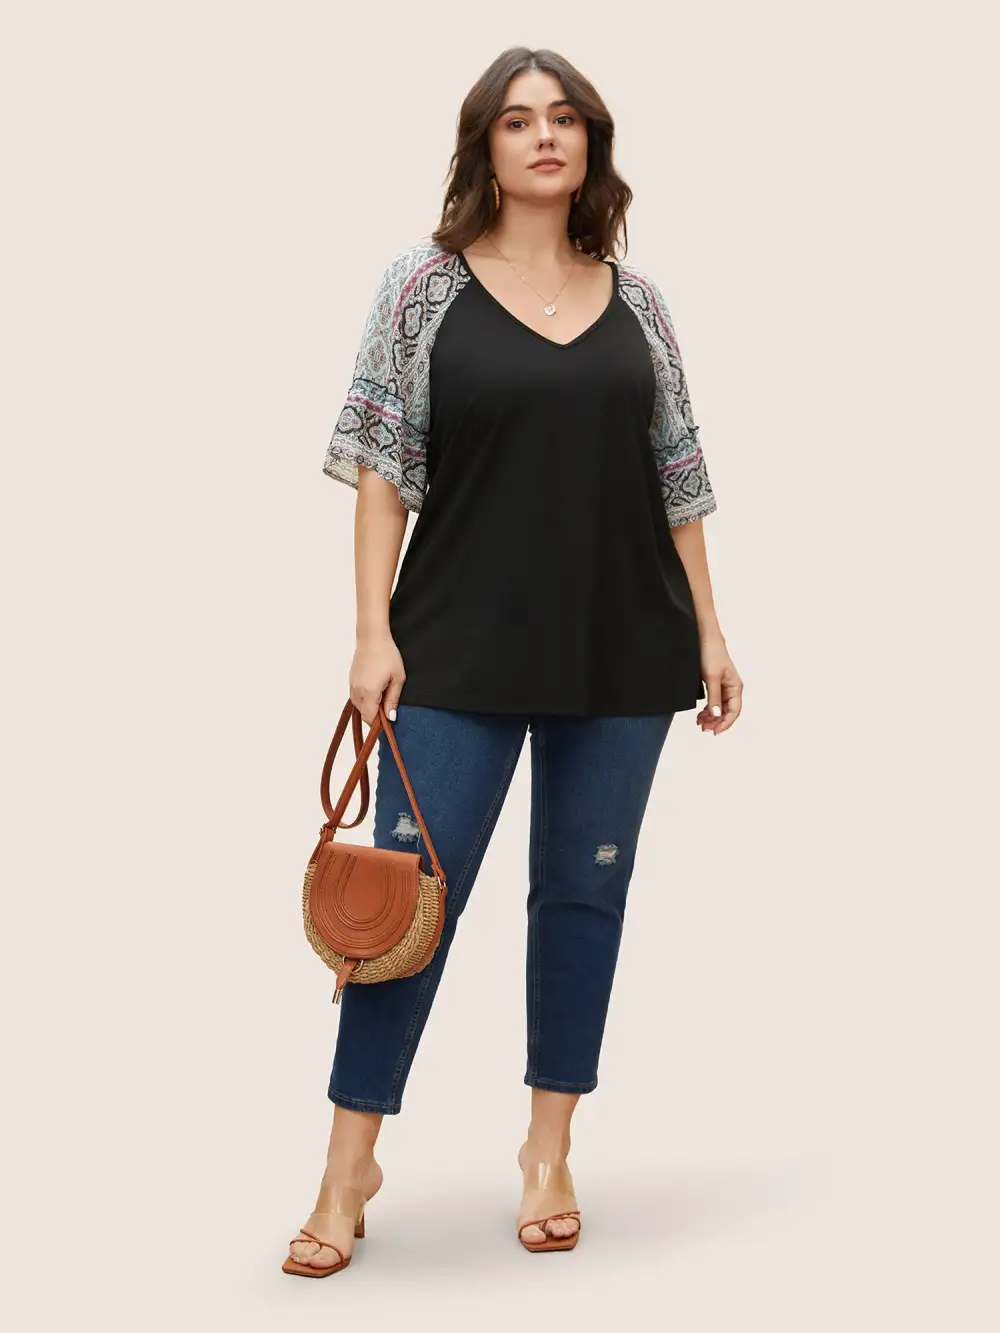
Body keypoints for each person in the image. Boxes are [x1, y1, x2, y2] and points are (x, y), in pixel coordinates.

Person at [283, 44, 744, 1278]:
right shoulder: (420, 288)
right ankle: (346, 1168)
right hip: (455, 644)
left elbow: (677, 476)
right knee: (401, 908)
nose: (544, 136)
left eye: (564, 118)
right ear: (483, 145)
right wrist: (372, 631)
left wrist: (708, 628)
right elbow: (381, 471)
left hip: (623, 646)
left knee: (583, 897)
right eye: (517, 120)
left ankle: (548, 1150)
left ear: (590, 143)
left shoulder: (639, 302)